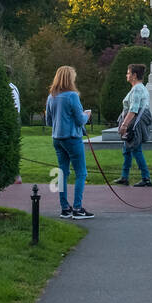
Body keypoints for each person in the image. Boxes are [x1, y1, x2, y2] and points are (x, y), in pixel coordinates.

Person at [45, 65, 93, 219]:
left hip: (57, 138)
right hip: (72, 138)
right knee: (81, 173)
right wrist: (87, 115)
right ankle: (78, 208)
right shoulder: (72, 96)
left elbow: (48, 121)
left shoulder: (51, 96)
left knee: (62, 173)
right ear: (70, 78)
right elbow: (80, 120)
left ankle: (64, 207)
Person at [115, 63, 152, 187]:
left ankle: (146, 178)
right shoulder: (141, 88)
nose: (127, 75)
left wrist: (124, 125)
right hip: (135, 122)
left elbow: (134, 109)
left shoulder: (137, 89)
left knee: (136, 149)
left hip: (134, 123)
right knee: (126, 149)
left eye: (128, 73)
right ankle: (124, 177)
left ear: (134, 75)